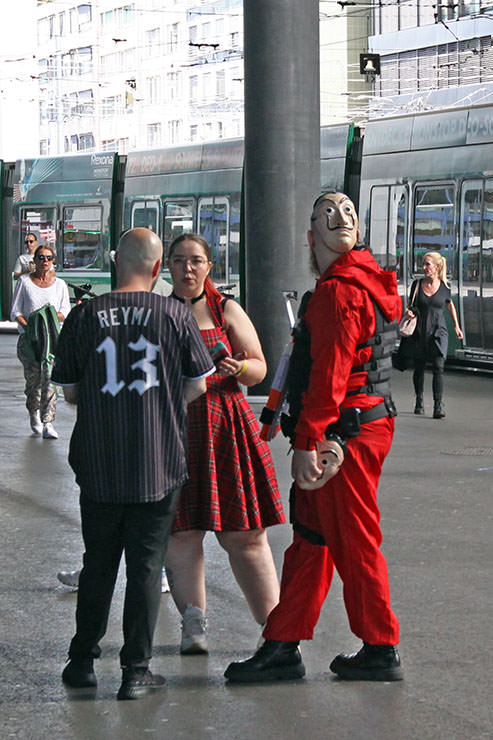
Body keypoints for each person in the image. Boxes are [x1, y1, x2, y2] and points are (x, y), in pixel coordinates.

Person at [224, 191, 403, 683]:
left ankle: (380, 644)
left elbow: (329, 373)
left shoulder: (339, 292)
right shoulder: (364, 284)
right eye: (330, 212)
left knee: (352, 538)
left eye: (345, 212)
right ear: (312, 235)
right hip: (356, 427)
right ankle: (283, 641)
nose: (339, 217)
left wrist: (307, 440)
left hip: (341, 436)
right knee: (311, 538)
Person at [51, 228, 214, 700]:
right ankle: (135, 671)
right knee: (146, 566)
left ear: (114, 260)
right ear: (159, 268)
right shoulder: (175, 315)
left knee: (98, 563)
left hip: (99, 462)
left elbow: (72, 392)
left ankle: (81, 662)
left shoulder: (83, 316)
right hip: (158, 463)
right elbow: (198, 384)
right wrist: (162, 408)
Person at [164, 233, 285, 654]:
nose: (187, 268)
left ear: (209, 266)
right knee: (181, 531)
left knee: (246, 535)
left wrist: (242, 365)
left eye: (195, 260)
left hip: (225, 428)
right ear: (168, 266)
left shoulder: (225, 308)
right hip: (174, 429)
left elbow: (260, 369)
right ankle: (193, 625)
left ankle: (277, 631)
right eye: (178, 261)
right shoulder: (158, 309)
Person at [10, 244, 70, 439]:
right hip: (30, 340)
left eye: (49, 258)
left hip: (52, 340)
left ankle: (48, 421)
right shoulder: (25, 282)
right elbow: (15, 311)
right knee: (34, 382)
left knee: (51, 380)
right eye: (41, 258)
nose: (46, 261)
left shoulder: (60, 284)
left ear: (53, 261)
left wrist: (48, 318)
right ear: (34, 261)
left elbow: (65, 311)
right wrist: (31, 325)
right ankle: (33, 412)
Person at [400, 251, 463, 418]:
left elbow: (450, 306)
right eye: (424, 264)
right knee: (419, 367)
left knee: (438, 368)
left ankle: (437, 406)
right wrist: (408, 313)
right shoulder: (417, 284)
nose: (424, 267)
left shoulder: (444, 287)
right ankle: (419, 401)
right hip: (420, 332)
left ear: (437, 266)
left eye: (427, 264)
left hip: (438, 332)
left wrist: (456, 326)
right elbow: (409, 306)